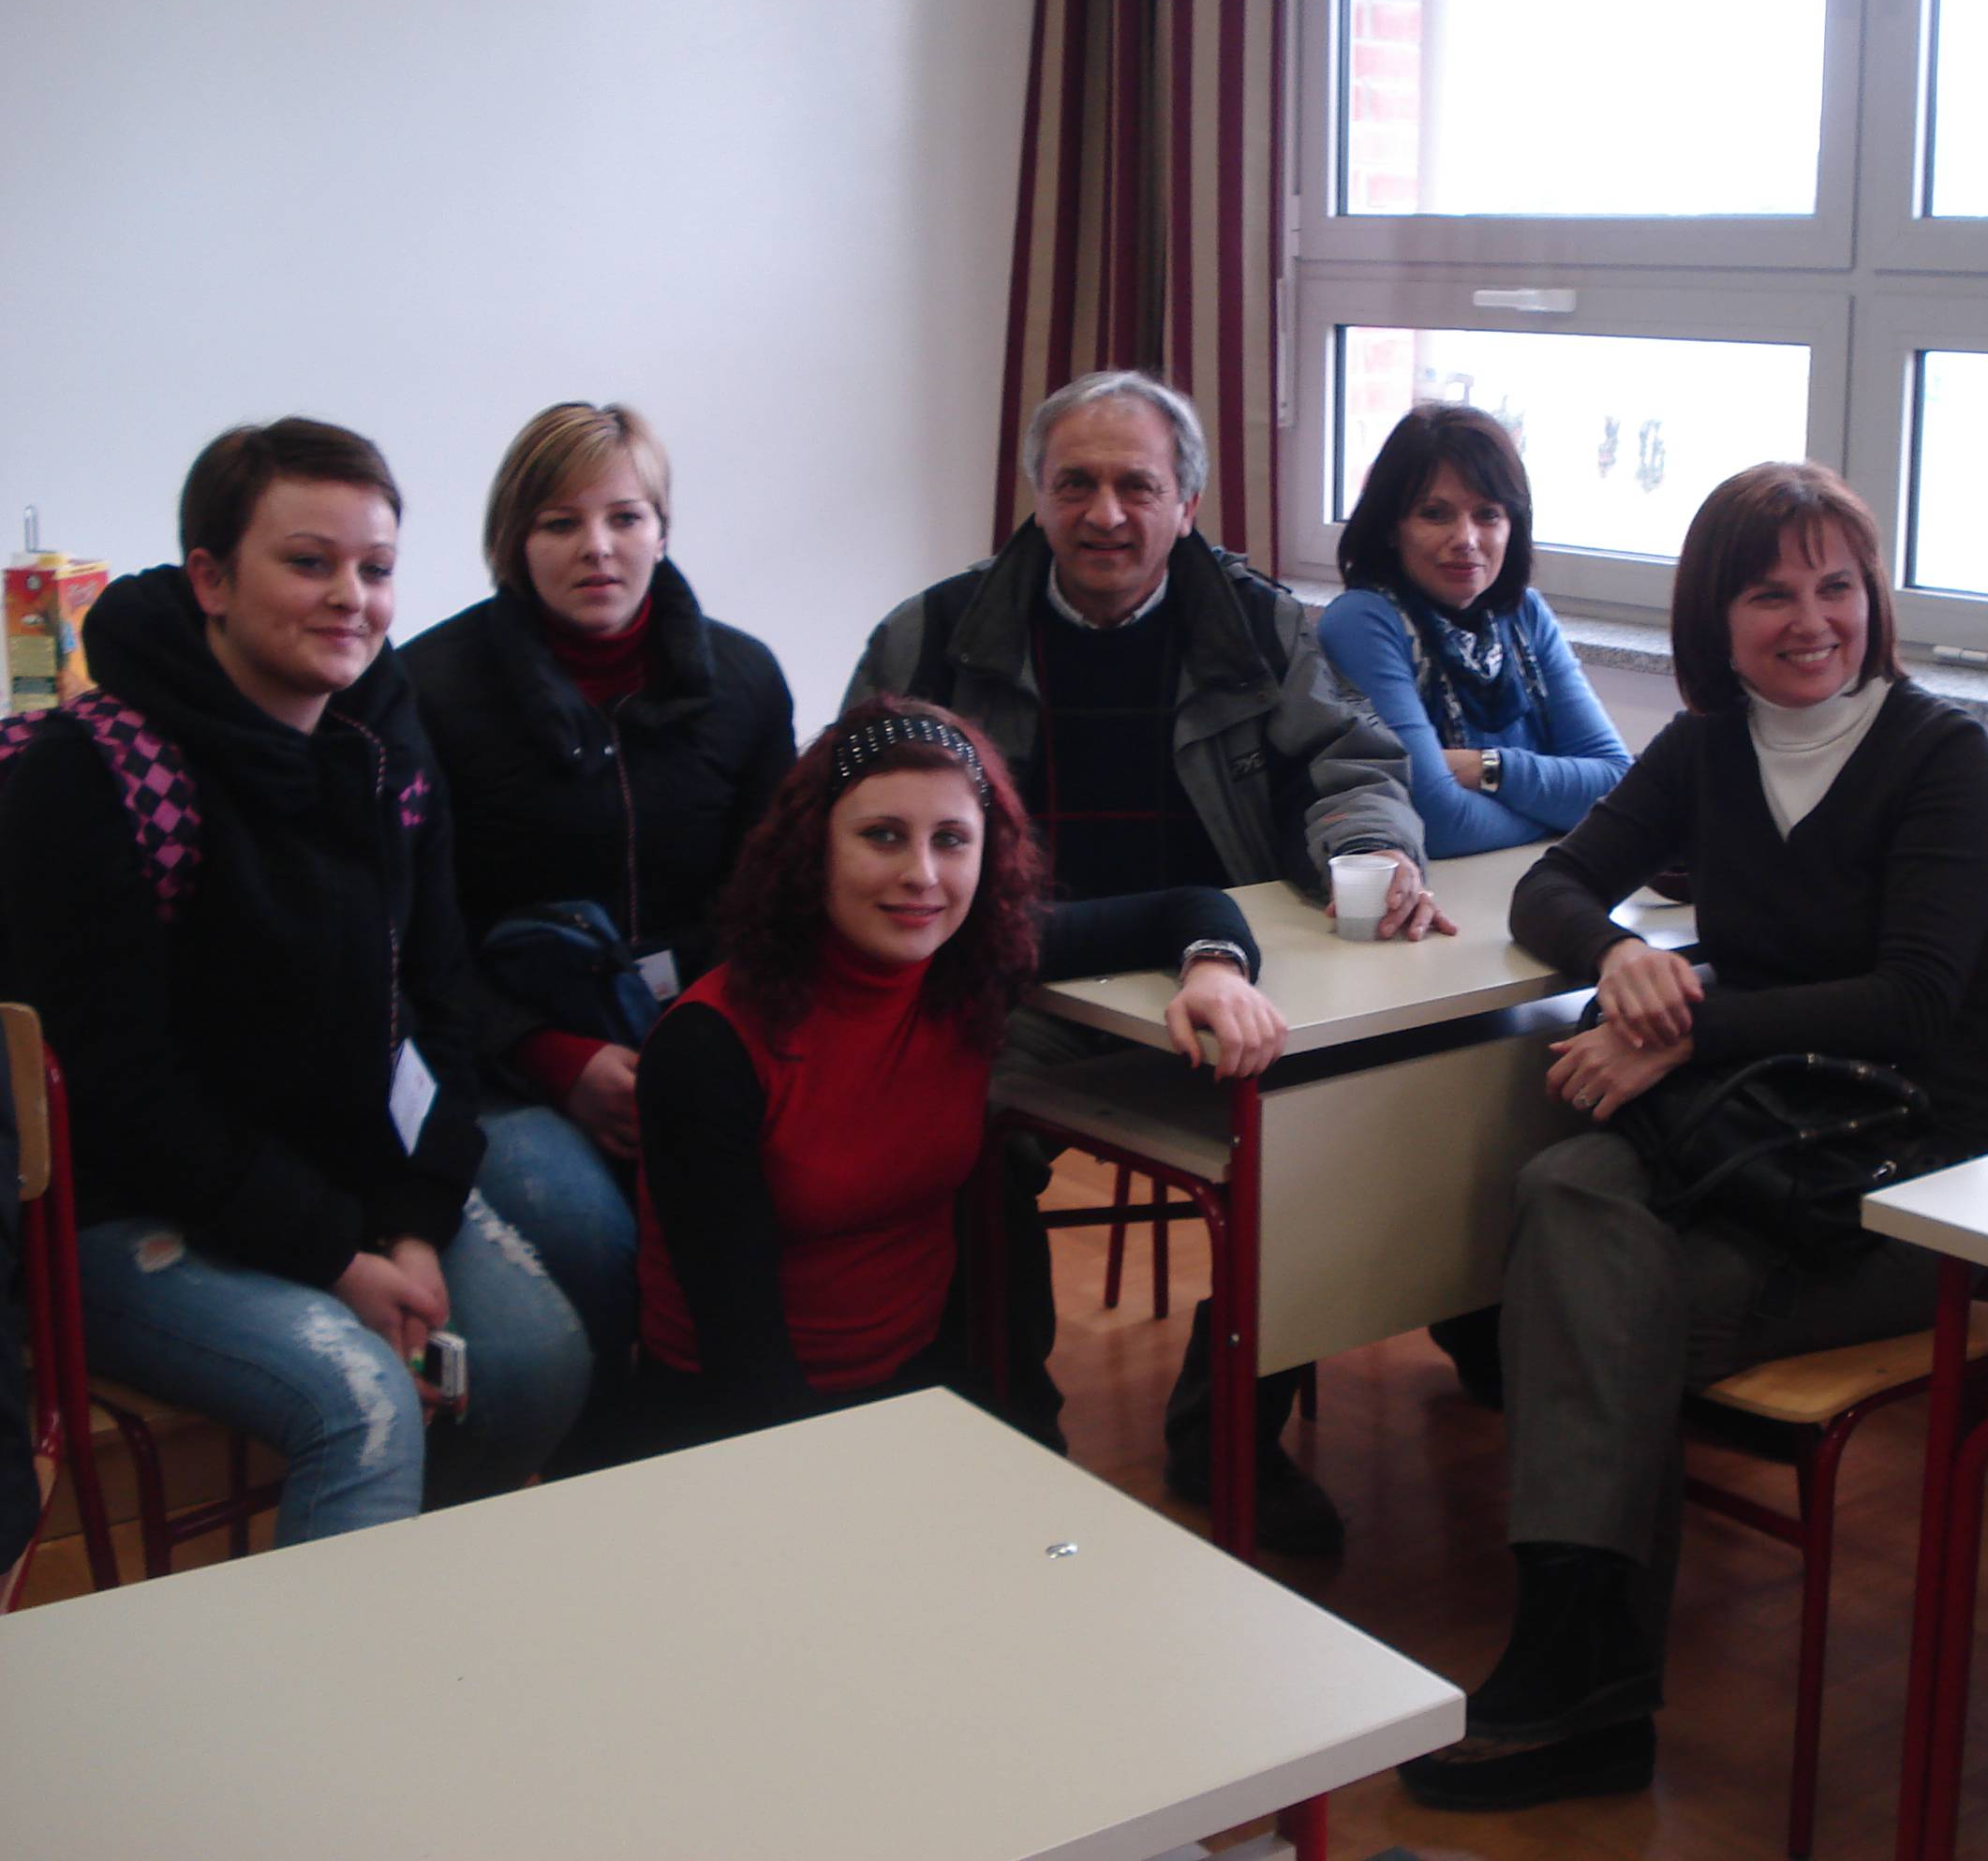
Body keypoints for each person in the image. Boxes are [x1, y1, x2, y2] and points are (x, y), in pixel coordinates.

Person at [1399, 460, 1988, 1810]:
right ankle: (1583, 1668)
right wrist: (1621, 957)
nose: (1811, 621)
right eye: (1768, 594)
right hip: (1746, 1142)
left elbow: (1913, 1003)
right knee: (1566, 1189)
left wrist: (1682, 1029)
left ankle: (1582, 1678)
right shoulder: (1707, 744)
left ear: (1874, 602)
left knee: (1595, 1301)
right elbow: (1555, 886)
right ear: (1713, 618)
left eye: (1837, 587)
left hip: (1904, 1186)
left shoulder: (1941, 758)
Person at [846, 368, 1448, 1554]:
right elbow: (850, 811)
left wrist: (1367, 853)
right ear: (1034, 495)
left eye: (1136, 486)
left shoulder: (1263, 628)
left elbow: (1354, 766)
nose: (1105, 515)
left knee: (1335, 1125)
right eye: (1074, 484)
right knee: (954, 1127)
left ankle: (1223, 1433)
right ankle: (1005, 1431)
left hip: (1217, 963)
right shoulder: (934, 635)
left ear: (1188, 504)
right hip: (1018, 973)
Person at [0, 420, 589, 1543]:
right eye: (308, 563)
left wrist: (411, 1227)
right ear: (211, 580)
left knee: (534, 1363)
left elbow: (437, 1007)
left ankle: (406, 1595)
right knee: (359, 1406)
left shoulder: (389, 751)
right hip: (131, 1213)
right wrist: (332, 1258)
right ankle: (333, 1651)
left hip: (352, 1191)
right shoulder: (91, 773)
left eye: (376, 569)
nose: (350, 600)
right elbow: (122, 1090)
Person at [631, 697, 1286, 1450]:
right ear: (813, 850)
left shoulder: (969, 958)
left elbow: (1186, 907)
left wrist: (1215, 971)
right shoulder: (709, 1046)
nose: (922, 875)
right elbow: (743, 1359)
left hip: (919, 1379)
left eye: (951, 840)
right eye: (882, 836)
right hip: (736, 1423)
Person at [404, 403, 794, 1444]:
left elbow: (771, 904)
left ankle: (750, 1448)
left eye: (625, 517)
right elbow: (414, 943)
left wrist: (696, 1050)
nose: (598, 548)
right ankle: (607, 1468)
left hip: (701, 1039)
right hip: (502, 1066)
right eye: (560, 523)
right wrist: (553, 1057)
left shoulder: (745, 679)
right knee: (598, 1240)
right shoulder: (425, 690)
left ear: (662, 529)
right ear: (511, 541)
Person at [1317, 403, 1629, 856]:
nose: (1466, 539)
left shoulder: (1525, 615)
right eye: (1435, 514)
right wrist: (1559, 814)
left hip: (1529, 878)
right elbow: (1436, 822)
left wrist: (1486, 768)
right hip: (1430, 891)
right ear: (1391, 528)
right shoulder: (1362, 621)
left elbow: (1618, 783)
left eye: (1488, 514)